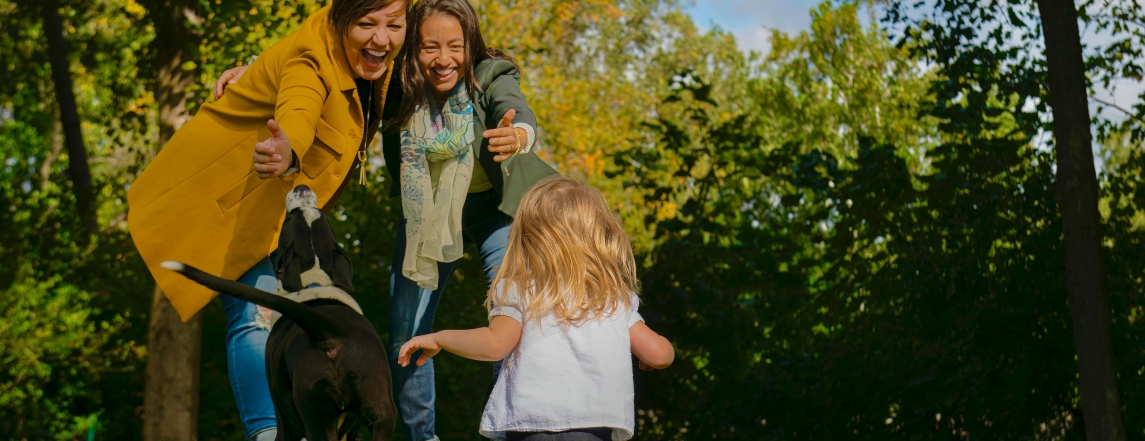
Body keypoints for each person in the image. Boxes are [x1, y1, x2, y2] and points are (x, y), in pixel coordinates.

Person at [127, 1, 408, 440]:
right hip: (227, 204)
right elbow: (300, 102)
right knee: (255, 311)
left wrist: (257, 66)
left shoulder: (381, 54)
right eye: (366, 24)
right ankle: (266, 434)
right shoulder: (312, 58)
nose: (382, 37)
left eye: (394, 24)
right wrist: (289, 148)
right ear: (340, 20)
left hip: (277, 209)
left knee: (287, 319)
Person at [397, 176, 675, 441]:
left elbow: (494, 344)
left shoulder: (522, 288)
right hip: (596, 431)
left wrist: (440, 338)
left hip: (533, 428)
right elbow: (660, 354)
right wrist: (644, 352)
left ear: (529, 238)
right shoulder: (614, 297)